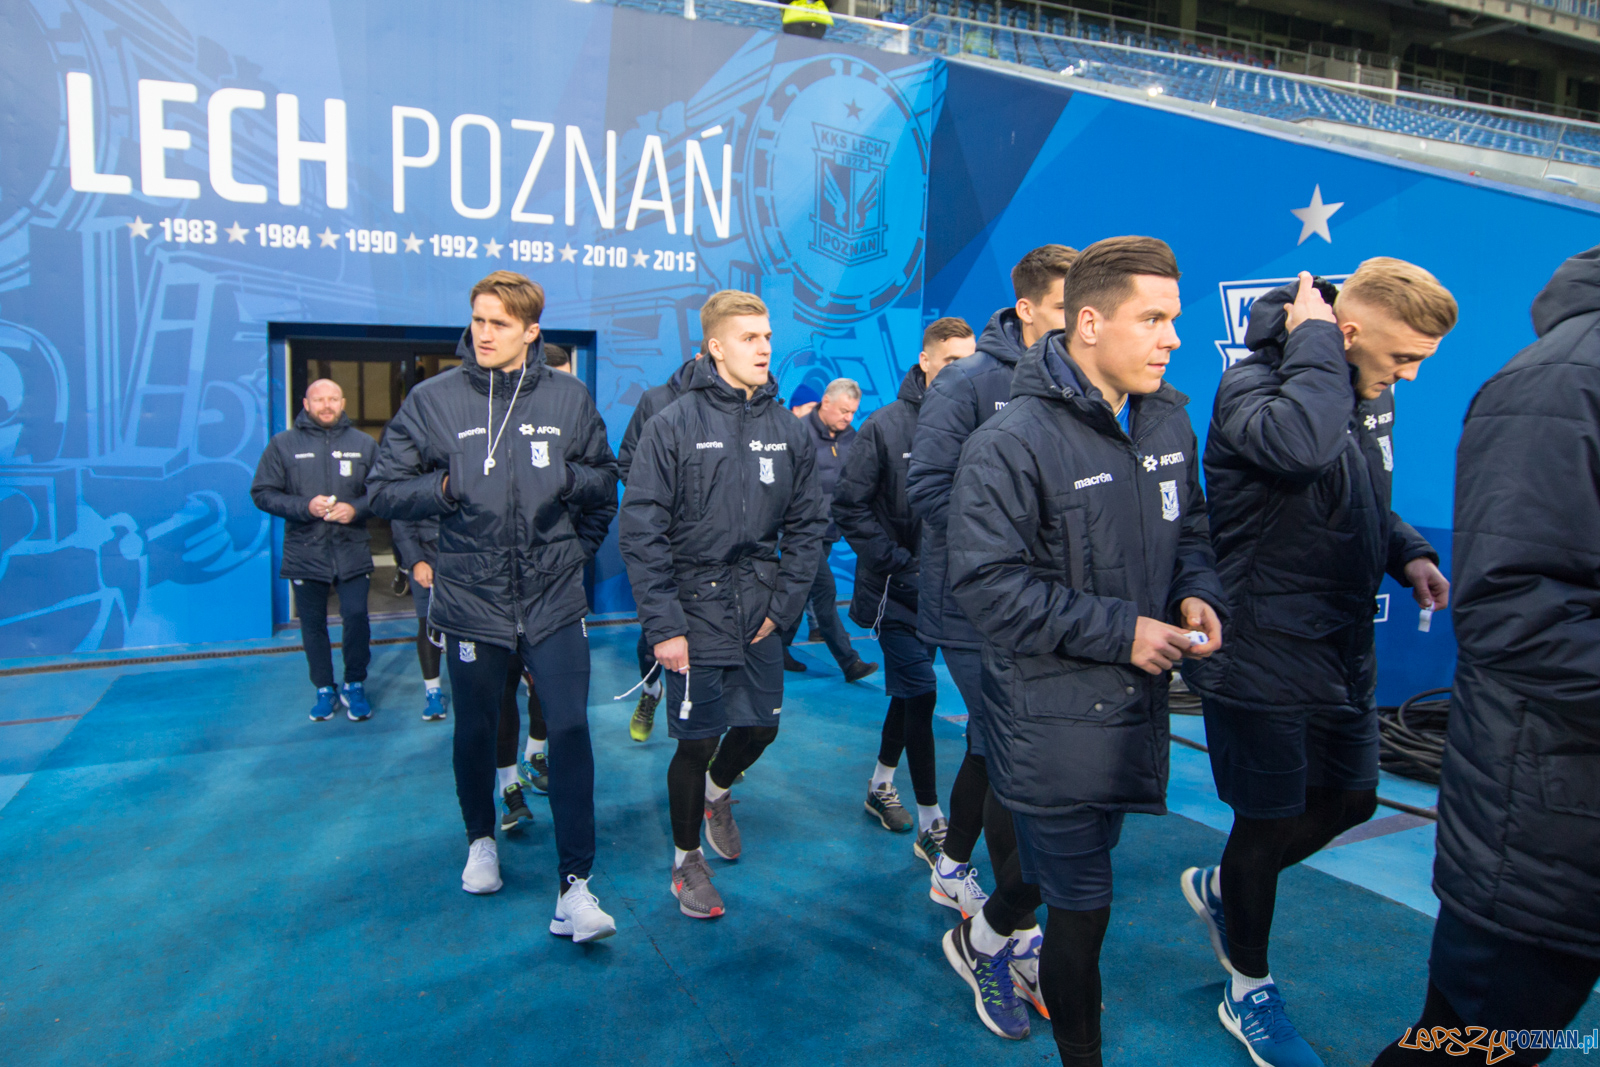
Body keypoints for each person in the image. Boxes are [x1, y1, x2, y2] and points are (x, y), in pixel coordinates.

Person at [945, 236, 1226, 1058]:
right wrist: (1123, 630)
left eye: (1174, 317)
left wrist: (1195, 588)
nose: (1173, 336)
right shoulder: (1012, 440)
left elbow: (1193, 526)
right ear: (1091, 323)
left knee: (1061, 873)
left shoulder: (1169, 415)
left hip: (1129, 714)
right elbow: (988, 586)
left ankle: (981, 935)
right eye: (1155, 318)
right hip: (1047, 712)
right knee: (1084, 909)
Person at [1179, 262, 1456, 1066]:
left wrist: (1407, 553)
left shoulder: (1363, 388)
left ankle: (1226, 887)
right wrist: (1313, 347)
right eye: (1404, 356)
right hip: (1260, 645)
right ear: (1350, 330)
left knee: (1353, 799)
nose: (1408, 375)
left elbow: (1361, 488)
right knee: (1262, 825)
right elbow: (1301, 448)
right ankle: (1247, 988)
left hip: (1338, 645)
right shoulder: (1252, 388)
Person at [1372, 248, 1600, 1065]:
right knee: (1477, 1047)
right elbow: (1517, 610)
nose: (1410, 377)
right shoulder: (1560, 386)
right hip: (1549, 825)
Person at [367, 270, 619, 943]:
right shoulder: (433, 400)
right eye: (478, 319)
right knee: (477, 732)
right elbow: (384, 488)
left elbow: (603, 485)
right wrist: (445, 487)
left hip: (553, 598)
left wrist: (570, 525)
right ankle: (481, 838)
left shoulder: (568, 397)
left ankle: (576, 887)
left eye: (500, 323)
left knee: (567, 730)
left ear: (532, 330)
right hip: (472, 601)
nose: (484, 333)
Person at [619, 290, 827, 920]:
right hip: (693, 607)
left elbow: (810, 524)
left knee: (761, 726)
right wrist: (664, 625)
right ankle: (686, 862)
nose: (764, 348)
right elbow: (641, 530)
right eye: (749, 338)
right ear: (716, 346)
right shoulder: (671, 423)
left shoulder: (787, 428)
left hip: (761, 607)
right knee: (694, 741)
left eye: (767, 337)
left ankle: (718, 793)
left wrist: (786, 605)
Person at [907, 244, 1077, 933]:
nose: (1081, 322)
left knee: (989, 742)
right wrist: (1011, 550)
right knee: (1014, 754)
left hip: (1040, 609)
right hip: (976, 608)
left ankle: (951, 867)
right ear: (1028, 308)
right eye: (1067, 308)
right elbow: (928, 487)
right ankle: (1010, 933)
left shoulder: (1079, 379)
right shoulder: (967, 381)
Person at [833, 318, 974, 851]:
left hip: (954, 592)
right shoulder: (886, 426)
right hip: (899, 592)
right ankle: (931, 820)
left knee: (908, 698)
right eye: (953, 361)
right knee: (922, 690)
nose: (965, 371)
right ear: (926, 361)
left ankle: (879, 785)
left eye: (971, 360)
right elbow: (848, 504)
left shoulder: (979, 424)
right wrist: (898, 563)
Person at [251, 378, 377, 722]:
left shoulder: (364, 444)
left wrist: (355, 509)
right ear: (305, 404)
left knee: (355, 618)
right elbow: (262, 492)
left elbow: (382, 493)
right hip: (304, 551)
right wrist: (304, 506)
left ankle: (355, 683)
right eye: (319, 399)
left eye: (333, 399)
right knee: (312, 624)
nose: (326, 405)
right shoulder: (283, 444)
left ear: (343, 402)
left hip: (351, 550)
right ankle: (324, 687)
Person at [616, 349, 702, 742]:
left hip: (712, 552)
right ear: (706, 352)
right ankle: (650, 693)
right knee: (656, 632)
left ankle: (708, 736)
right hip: (664, 542)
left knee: (713, 643)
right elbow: (626, 462)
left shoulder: (742, 404)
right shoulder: (656, 400)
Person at [783, 378, 878, 683]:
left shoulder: (851, 437)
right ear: (825, 403)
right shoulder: (797, 432)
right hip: (800, 533)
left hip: (829, 531)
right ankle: (849, 662)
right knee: (825, 594)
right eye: (844, 411)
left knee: (798, 595)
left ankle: (776, 651)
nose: (849, 418)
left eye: (853, 413)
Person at [391, 516, 448, 721]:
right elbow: (401, 517)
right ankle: (433, 691)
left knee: (471, 627)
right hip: (426, 557)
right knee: (428, 624)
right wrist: (415, 560)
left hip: (465, 557)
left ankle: (472, 687)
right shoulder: (413, 483)